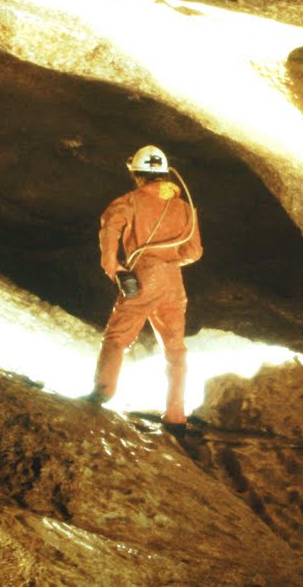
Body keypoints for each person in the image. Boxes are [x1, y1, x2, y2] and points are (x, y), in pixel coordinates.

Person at [85, 145, 202, 426]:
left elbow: (110, 227)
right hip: (174, 282)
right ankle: (176, 416)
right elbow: (194, 251)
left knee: (118, 337)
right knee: (175, 350)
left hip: (144, 276)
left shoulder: (130, 201)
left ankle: (102, 393)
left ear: (137, 174)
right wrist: (169, 262)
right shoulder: (184, 207)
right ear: (164, 174)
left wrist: (114, 267)